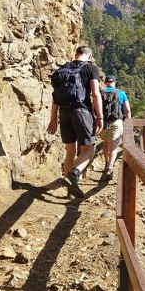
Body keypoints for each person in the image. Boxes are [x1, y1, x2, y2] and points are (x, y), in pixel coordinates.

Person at [47, 46, 103, 199]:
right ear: (89, 56)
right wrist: (100, 117)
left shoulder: (61, 70)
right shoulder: (91, 68)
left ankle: (70, 190)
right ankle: (73, 176)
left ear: (76, 54)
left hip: (63, 112)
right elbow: (96, 94)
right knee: (88, 150)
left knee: (70, 152)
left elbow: (55, 98)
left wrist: (53, 120)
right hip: (81, 111)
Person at [99, 75, 130, 180]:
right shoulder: (120, 93)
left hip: (103, 122)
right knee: (113, 146)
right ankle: (111, 166)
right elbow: (127, 110)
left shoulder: (101, 92)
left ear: (106, 82)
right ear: (115, 82)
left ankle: (106, 163)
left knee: (106, 142)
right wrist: (128, 124)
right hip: (116, 122)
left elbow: (95, 108)